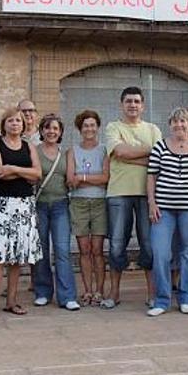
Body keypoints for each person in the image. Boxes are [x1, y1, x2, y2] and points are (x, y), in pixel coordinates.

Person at [0, 108, 43, 321]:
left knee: (17, 256)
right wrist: (24, 173)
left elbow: (37, 174)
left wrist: (13, 168)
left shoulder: (29, 146)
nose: (15, 123)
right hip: (2, 205)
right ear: (4, 124)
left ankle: (12, 301)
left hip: (24, 205)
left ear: (23, 125)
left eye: (19, 120)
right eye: (11, 120)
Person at [146, 108, 188, 316]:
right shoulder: (160, 147)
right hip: (163, 209)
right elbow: (151, 176)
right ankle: (162, 300)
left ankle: (186, 298)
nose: (180, 126)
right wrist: (152, 203)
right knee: (160, 253)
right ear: (170, 125)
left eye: (183, 122)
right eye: (175, 122)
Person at [102, 87, 162, 309]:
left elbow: (158, 158)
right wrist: (144, 154)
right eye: (128, 101)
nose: (133, 105)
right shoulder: (112, 127)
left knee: (148, 245)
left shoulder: (153, 129)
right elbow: (120, 153)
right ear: (121, 104)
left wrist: (129, 157)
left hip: (148, 194)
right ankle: (114, 293)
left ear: (143, 105)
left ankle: (152, 294)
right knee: (117, 244)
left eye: (137, 101)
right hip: (118, 192)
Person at [33, 114, 80, 310]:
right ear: (42, 131)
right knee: (41, 250)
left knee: (62, 251)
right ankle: (43, 292)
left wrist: (80, 178)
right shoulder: (34, 151)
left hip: (61, 205)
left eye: (55, 128)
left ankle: (67, 296)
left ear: (60, 132)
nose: (51, 131)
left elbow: (71, 179)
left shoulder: (67, 153)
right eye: (47, 128)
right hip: (39, 205)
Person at [66, 110, 110, 306]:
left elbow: (106, 178)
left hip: (100, 202)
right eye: (85, 126)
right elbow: (69, 180)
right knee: (84, 249)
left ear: (97, 127)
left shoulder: (104, 150)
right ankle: (87, 290)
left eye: (92, 125)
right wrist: (94, 179)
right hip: (79, 203)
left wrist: (82, 178)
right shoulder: (72, 151)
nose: (89, 129)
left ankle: (100, 290)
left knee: (97, 249)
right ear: (79, 128)